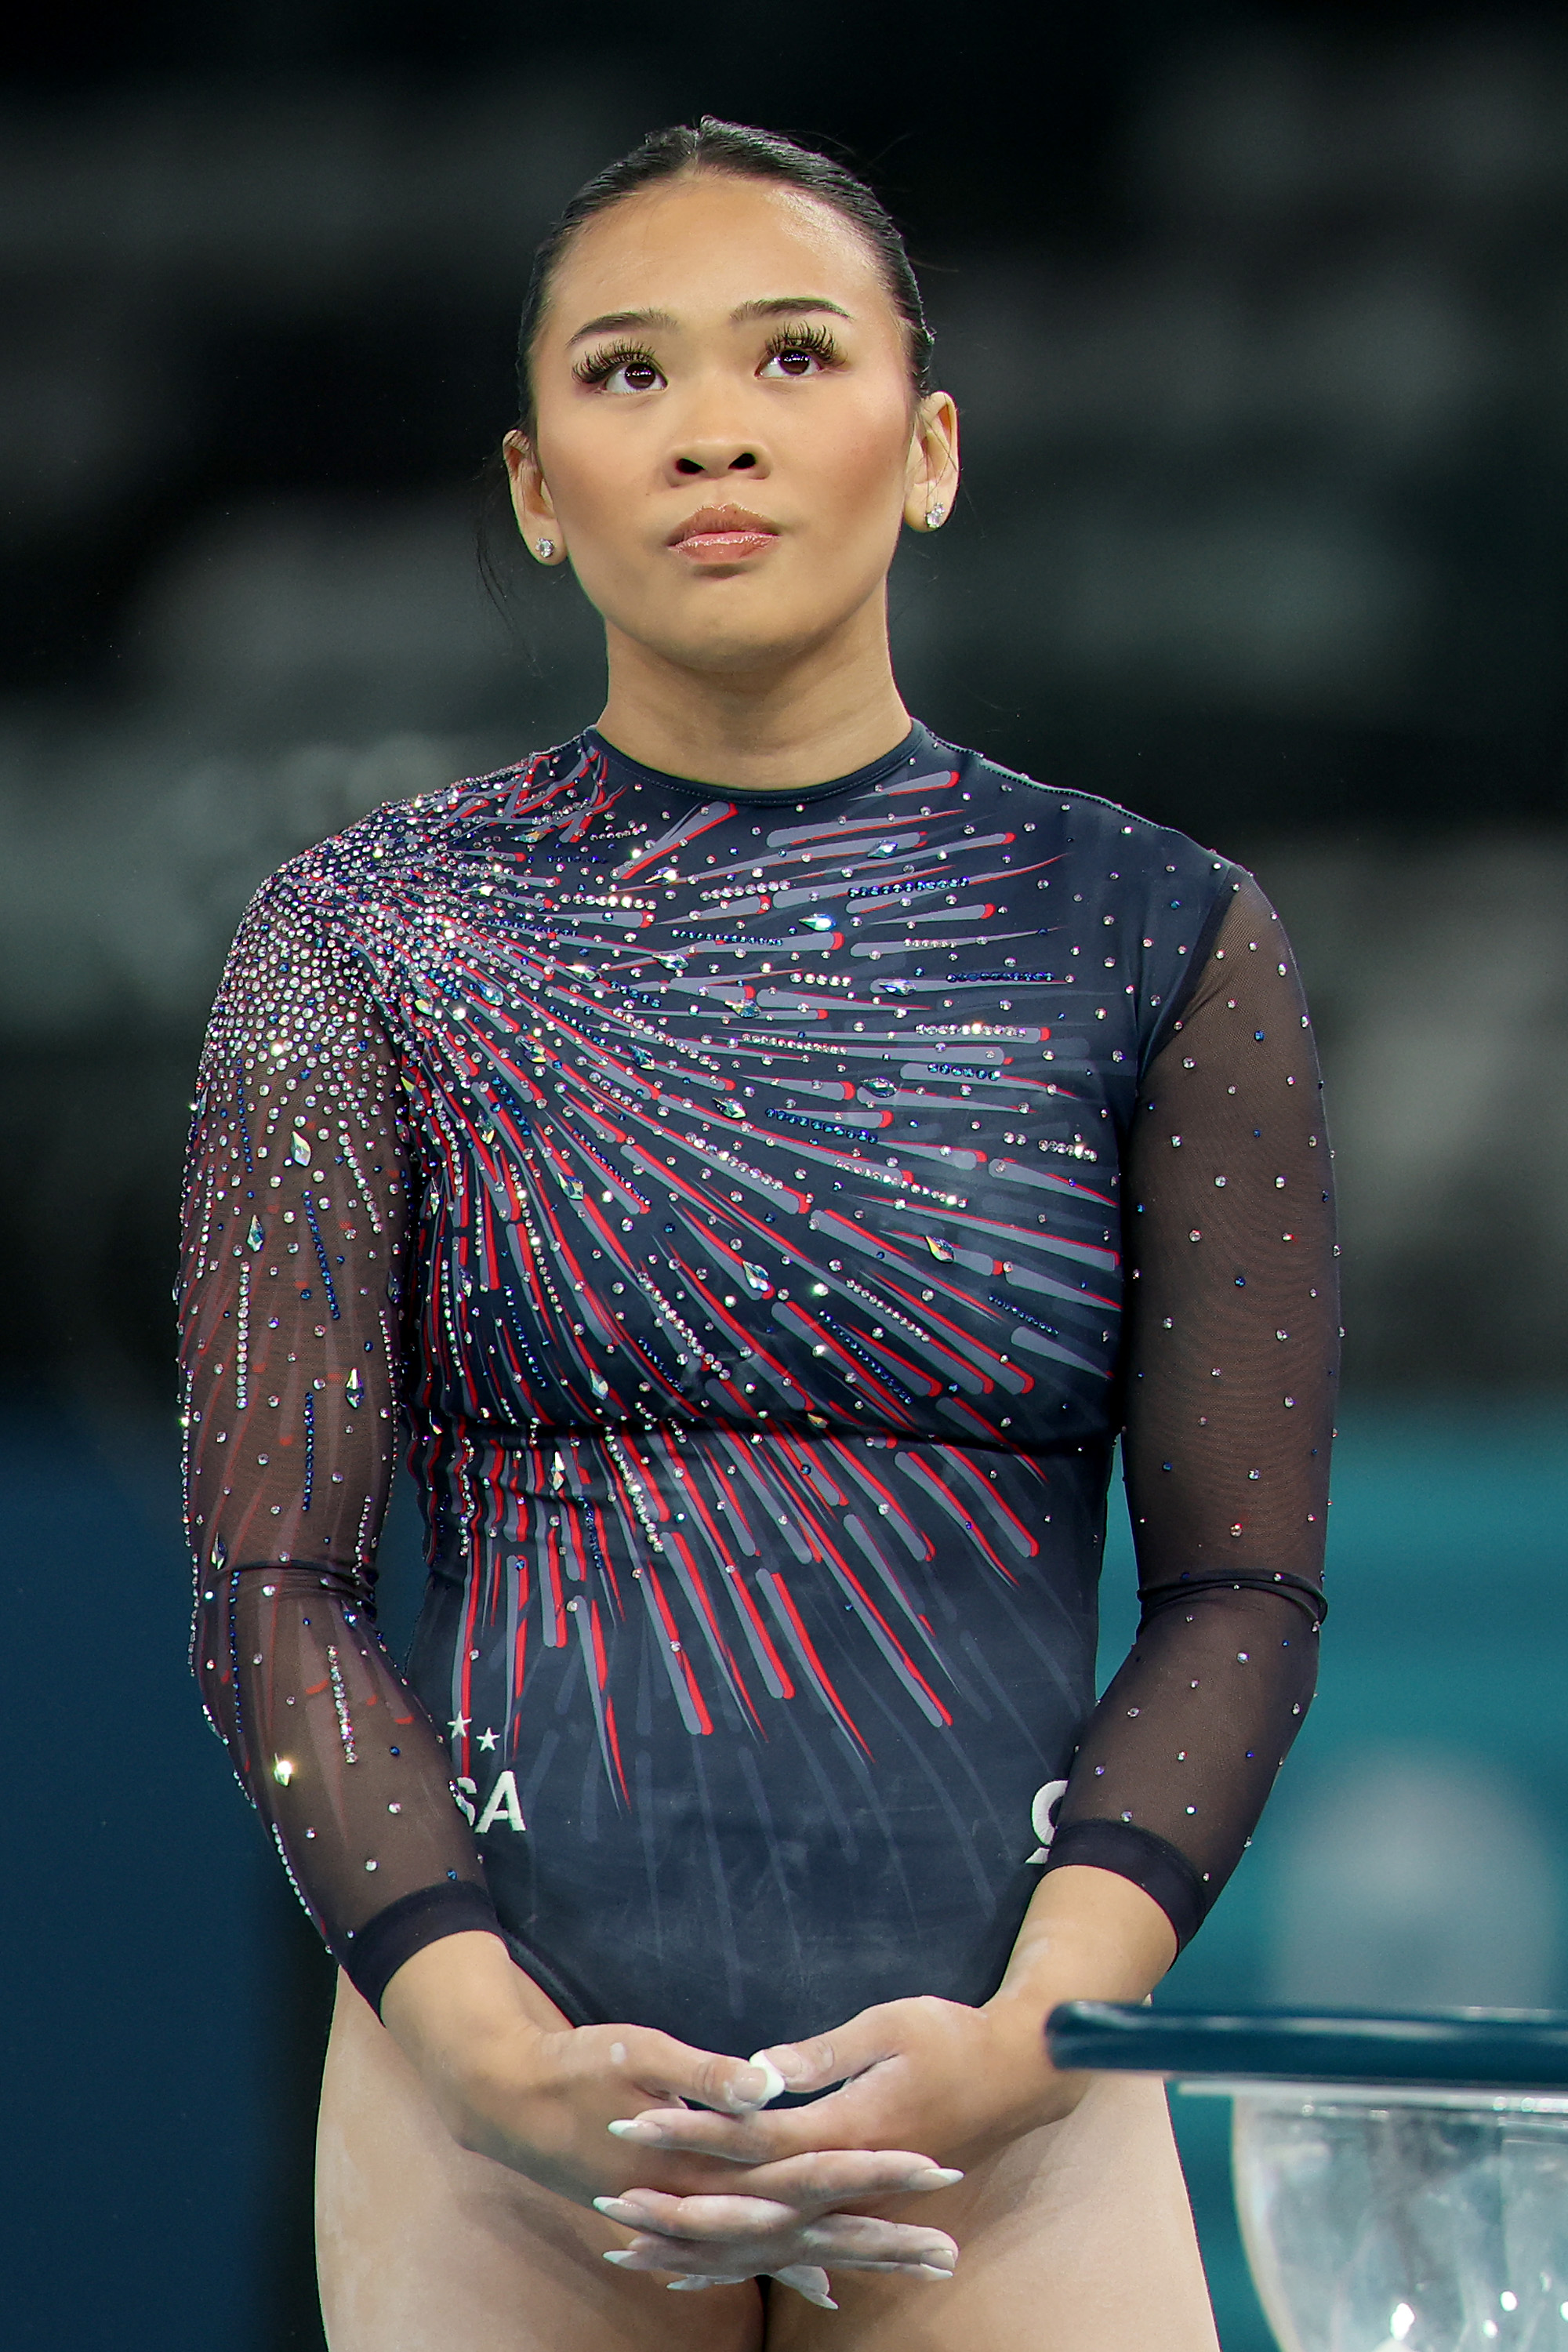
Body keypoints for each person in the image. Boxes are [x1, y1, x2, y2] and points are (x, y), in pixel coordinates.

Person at [179, 118, 1338, 2351]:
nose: (710, 423)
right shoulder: (362, 944)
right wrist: (477, 2031)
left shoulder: (1153, 935)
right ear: (535, 490)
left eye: (793, 354)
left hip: (1010, 2104)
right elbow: (271, 1587)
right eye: (626, 376)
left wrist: (1038, 2030)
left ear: (930, 449)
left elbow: (1241, 1587)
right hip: (503, 2111)